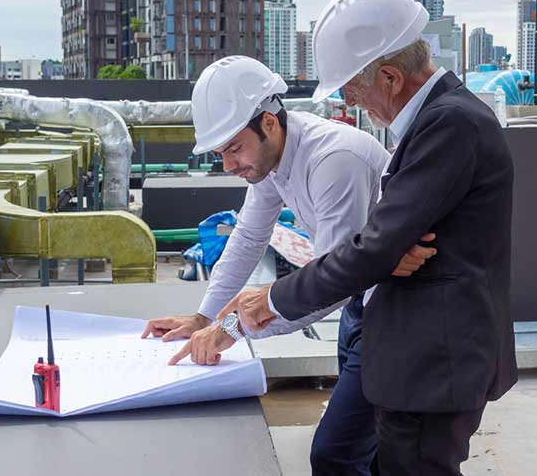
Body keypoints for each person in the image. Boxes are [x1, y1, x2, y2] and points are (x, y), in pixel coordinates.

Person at [218, 0, 518, 476]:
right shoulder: (440, 121)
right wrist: (384, 252)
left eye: (353, 91)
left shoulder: (450, 126)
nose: (354, 106)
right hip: (414, 355)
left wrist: (269, 300)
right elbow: (383, 245)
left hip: (433, 364)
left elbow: (372, 247)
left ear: (390, 77)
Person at [141, 55, 436, 475]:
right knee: (371, 448)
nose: (228, 165)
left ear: (269, 123)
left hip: (399, 313)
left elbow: (331, 283)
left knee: (336, 453)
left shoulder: (334, 160)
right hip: (363, 304)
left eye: (233, 148)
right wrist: (203, 315)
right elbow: (247, 237)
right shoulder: (274, 161)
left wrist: (231, 328)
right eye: (221, 153)